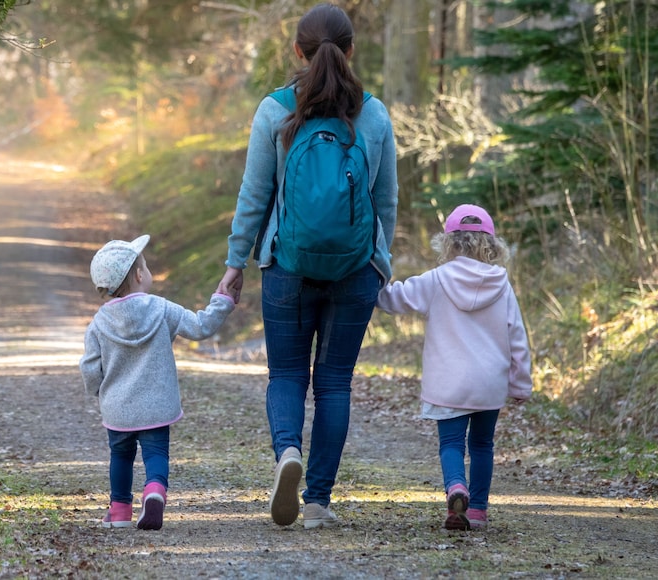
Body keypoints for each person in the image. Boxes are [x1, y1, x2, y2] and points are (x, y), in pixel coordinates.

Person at [217, 3, 399, 529]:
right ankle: (317, 501)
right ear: (350, 50)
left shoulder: (275, 110)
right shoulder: (376, 113)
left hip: (286, 267)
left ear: (297, 49)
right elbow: (384, 203)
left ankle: (287, 453)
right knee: (335, 381)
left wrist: (236, 262)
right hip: (355, 269)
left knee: (288, 374)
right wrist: (381, 265)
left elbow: (254, 196)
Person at [376, 204, 532, 530]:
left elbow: (393, 299)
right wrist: (520, 384)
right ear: (490, 245)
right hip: (489, 383)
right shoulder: (501, 284)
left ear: (449, 243)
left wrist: (373, 279)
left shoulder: (436, 280)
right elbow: (516, 335)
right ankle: (477, 512)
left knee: (451, 444)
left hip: (448, 383)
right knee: (482, 445)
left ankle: (456, 489)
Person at [81, 234, 237, 530]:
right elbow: (201, 325)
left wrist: (99, 392)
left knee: (121, 457)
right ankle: (154, 492)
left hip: (119, 409)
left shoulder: (99, 323)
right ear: (140, 275)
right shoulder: (162, 309)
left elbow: (90, 366)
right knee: (156, 454)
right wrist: (222, 301)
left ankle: (119, 512)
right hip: (157, 406)